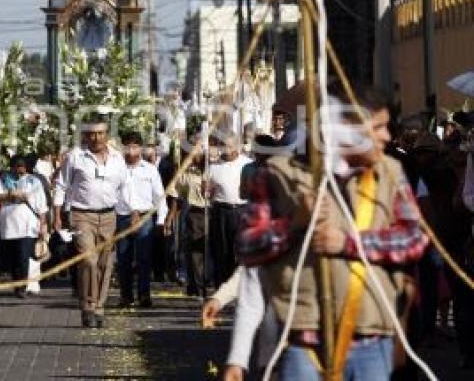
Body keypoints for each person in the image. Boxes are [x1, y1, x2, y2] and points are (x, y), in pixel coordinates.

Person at [237, 85, 429, 380]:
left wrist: (350, 244)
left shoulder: (389, 172)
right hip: (304, 341)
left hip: (370, 338)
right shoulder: (277, 174)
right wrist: (293, 224)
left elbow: (415, 238)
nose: (387, 137)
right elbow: (248, 247)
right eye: (377, 127)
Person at [54, 117, 128, 328]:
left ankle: (99, 307)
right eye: (92, 134)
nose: (96, 138)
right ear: (85, 135)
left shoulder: (117, 158)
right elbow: (61, 185)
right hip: (81, 215)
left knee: (105, 263)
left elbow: (124, 187)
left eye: (101, 133)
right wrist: (57, 214)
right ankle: (87, 306)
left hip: (108, 216)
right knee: (88, 260)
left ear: (107, 135)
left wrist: (131, 213)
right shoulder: (75, 157)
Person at [115, 132, 166, 308]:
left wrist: (161, 220)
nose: (131, 150)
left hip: (145, 217)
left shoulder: (150, 169)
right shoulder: (117, 169)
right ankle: (126, 296)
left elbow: (159, 196)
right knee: (123, 259)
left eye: (135, 146)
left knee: (144, 259)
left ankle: (144, 295)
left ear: (140, 148)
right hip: (122, 217)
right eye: (127, 146)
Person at [0, 156, 47, 298]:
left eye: (21, 169)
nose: (19, 172)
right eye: (16, 168)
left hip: (27, 225)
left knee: (23, 256)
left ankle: (22, 287)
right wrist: (9, 195)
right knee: (13, 258)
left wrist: (43, 224)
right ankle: (16, 283)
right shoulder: (3, 180)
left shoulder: (33, 181)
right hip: (8, 225)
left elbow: (42, 206)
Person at [207, 132, 252, 287]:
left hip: (242, 210)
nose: (227, 149)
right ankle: (222, 284)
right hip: (221, 210)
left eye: (230, 146)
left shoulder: (247, 164)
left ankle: (240, 285)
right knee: (222, 250)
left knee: (241, 249)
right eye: (224, 145)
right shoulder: (213, 167)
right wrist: (206, 189)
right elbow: (207, 193)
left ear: (238, 146)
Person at [165, 141, 208, 297]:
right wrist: (170, 218)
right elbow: (176, 197)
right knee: (195, 252)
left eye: (197, 151)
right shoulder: (184, 172)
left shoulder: (212, 168)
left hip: (214, 212)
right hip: (195, 214)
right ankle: (197, 286)